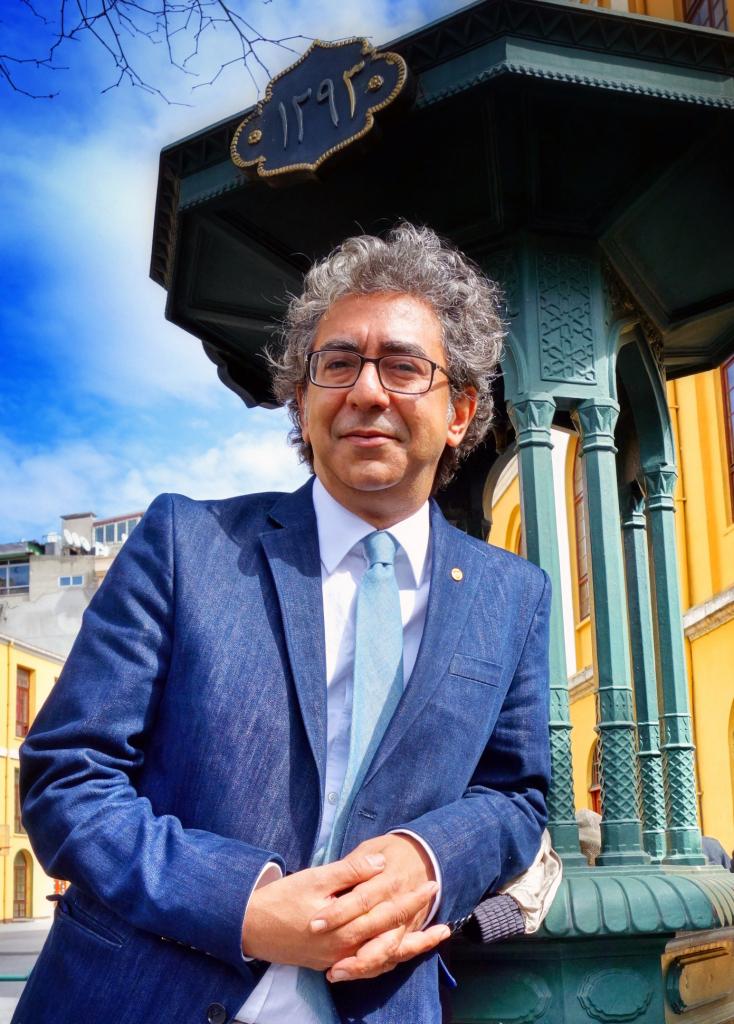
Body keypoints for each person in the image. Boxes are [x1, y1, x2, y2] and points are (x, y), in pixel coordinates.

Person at [15, 223, 552, 1024]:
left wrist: (430, 858)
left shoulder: (514, 595)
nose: (367, 391)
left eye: (404, 366)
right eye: (337, 363)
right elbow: (68, 773)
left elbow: (515, 796)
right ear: (301, 403)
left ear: (460, 410)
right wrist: (243, 905)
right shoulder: (184, 543)